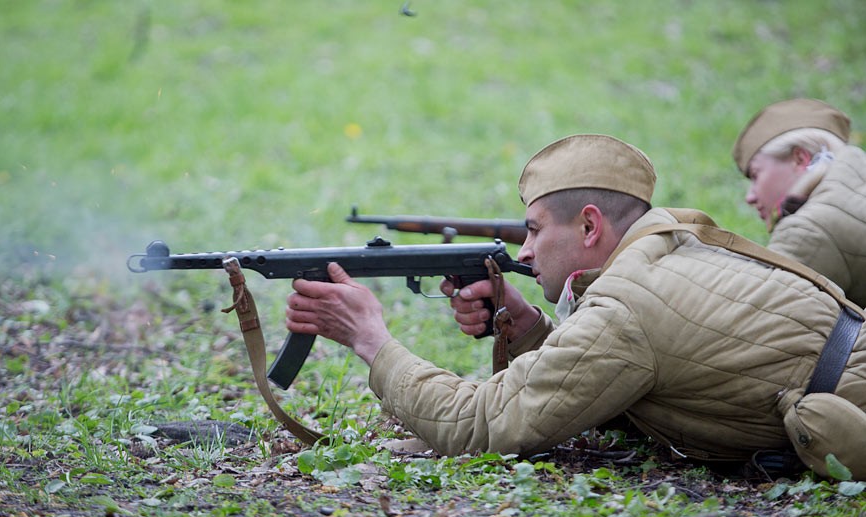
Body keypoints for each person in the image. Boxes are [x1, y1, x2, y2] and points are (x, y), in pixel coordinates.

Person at [285, 134, 866, 479]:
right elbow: (621, 370)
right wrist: (532, 324)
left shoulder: (627, 307)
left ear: (589, 225)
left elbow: (480, 425)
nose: (526, 251)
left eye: (534, 231)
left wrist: (370, 339)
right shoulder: (672, 241)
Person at [732, 98, 866, 307]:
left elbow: (749, 312)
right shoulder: (854, 177)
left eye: (756, 175)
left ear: (800, 159)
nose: (750, 197)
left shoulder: (809, 230)